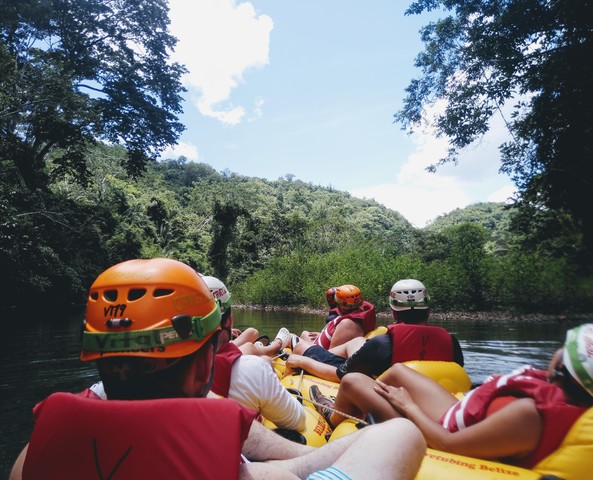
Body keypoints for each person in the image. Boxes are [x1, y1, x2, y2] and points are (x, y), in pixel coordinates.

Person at [9, 258, 426, 480]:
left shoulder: (32, 454)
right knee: (401, 433)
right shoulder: (220, 426)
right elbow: (294, 457)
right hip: (282, 440)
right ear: (202, 364)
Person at [320, 323, 593, 470]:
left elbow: (447, 444)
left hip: (440, 433)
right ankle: (362, 405)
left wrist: (408, 405)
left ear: (563, 364)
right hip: (461, 414)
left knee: (353, 380)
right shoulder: (559, 391)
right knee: (399, 371)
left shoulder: (529, 414)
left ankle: (333, 420)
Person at [286, 279, 462, 383]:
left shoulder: (383, 344)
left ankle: (302, 349)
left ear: (393, 311)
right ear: (429, 310)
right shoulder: (451, 343)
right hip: (428, 397)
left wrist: (303, 362)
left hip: (367, 377)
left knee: (301, 345)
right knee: (355, 343)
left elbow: (343, 375)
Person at [202, 274, 306, 431]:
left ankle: (270, 349)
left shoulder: (163, 374)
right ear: (229, 318)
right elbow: (298, 421)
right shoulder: (250, 369)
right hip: (246, 446)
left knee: (256, 347)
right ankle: (275, 346)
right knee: (263, 360)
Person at [299, 284, 376, 350]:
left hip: (319, 352)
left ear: (340, 305)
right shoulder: (360, 315)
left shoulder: (347, 325)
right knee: (305, 334)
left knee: (293, 337)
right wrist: (323, 335)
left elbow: (330, 356)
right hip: (319, 344)